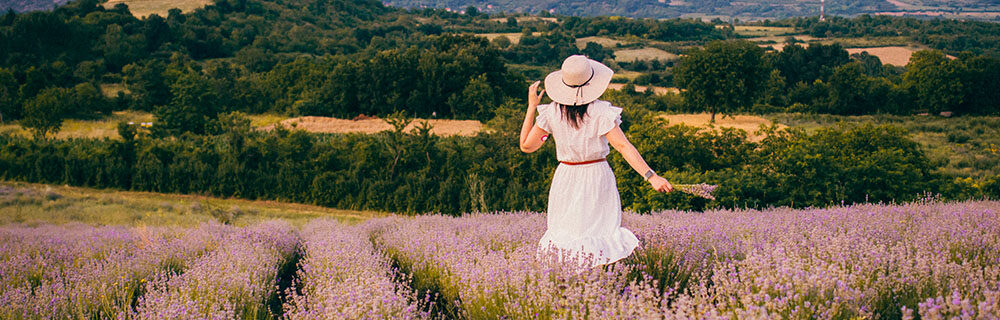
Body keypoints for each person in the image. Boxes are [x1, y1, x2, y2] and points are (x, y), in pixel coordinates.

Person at [519, 55, 673, 268]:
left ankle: (571, 288)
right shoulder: (600, 111)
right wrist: (651, 176)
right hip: (596, 175)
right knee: (600, 233)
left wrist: (531, 107)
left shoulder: (552, 112)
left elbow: (527, 146)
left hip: (565, 177)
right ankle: (600, 282)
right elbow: (623, 146)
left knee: (566, 235)